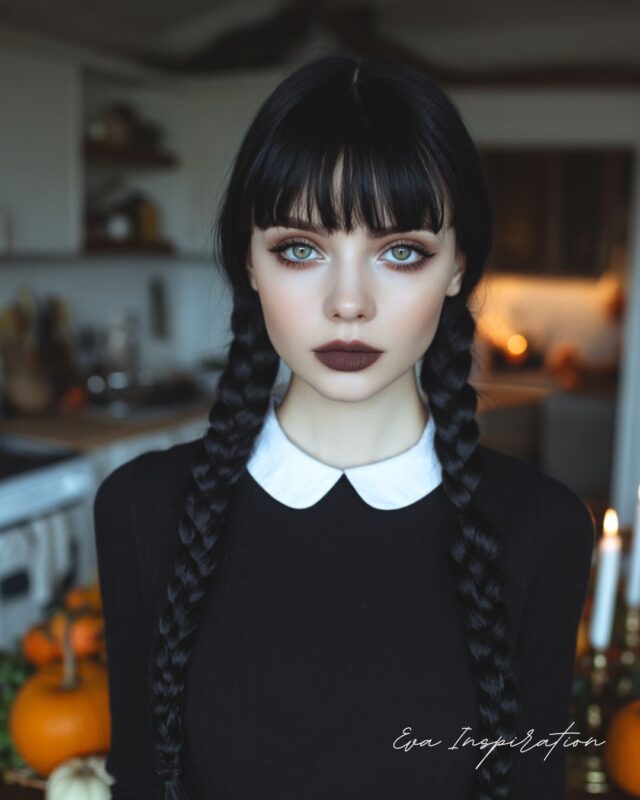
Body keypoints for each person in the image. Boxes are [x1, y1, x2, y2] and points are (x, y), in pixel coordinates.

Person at [94, 54, 596, 800]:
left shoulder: (542, 529)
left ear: (459, 266)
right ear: (250, 263)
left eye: (402, 251)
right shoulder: (142, 510)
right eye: (302, 249)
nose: (349, 302)